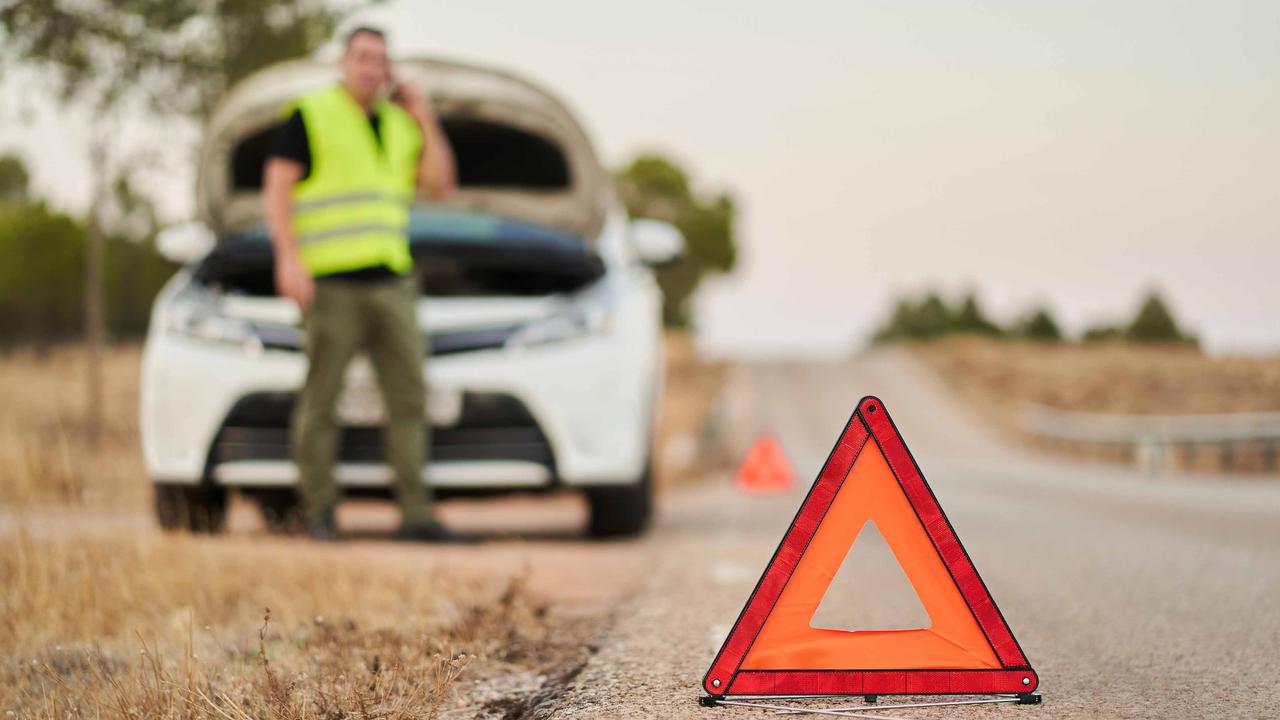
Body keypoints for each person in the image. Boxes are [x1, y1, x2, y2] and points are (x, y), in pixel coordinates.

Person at [263, 25, 468, 542]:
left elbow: (440, 185)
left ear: (390, 69)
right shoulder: (310, 114)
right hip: (331, 281)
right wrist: (289, 259)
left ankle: (416, 515)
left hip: (391, 281)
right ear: (343, 63)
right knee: (322, 398)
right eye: (363, 58)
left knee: (409, 398)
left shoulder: (401, 125)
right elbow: (278, 187)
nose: (372, 68)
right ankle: (320, 512)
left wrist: (423, 115)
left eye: (381, 60)